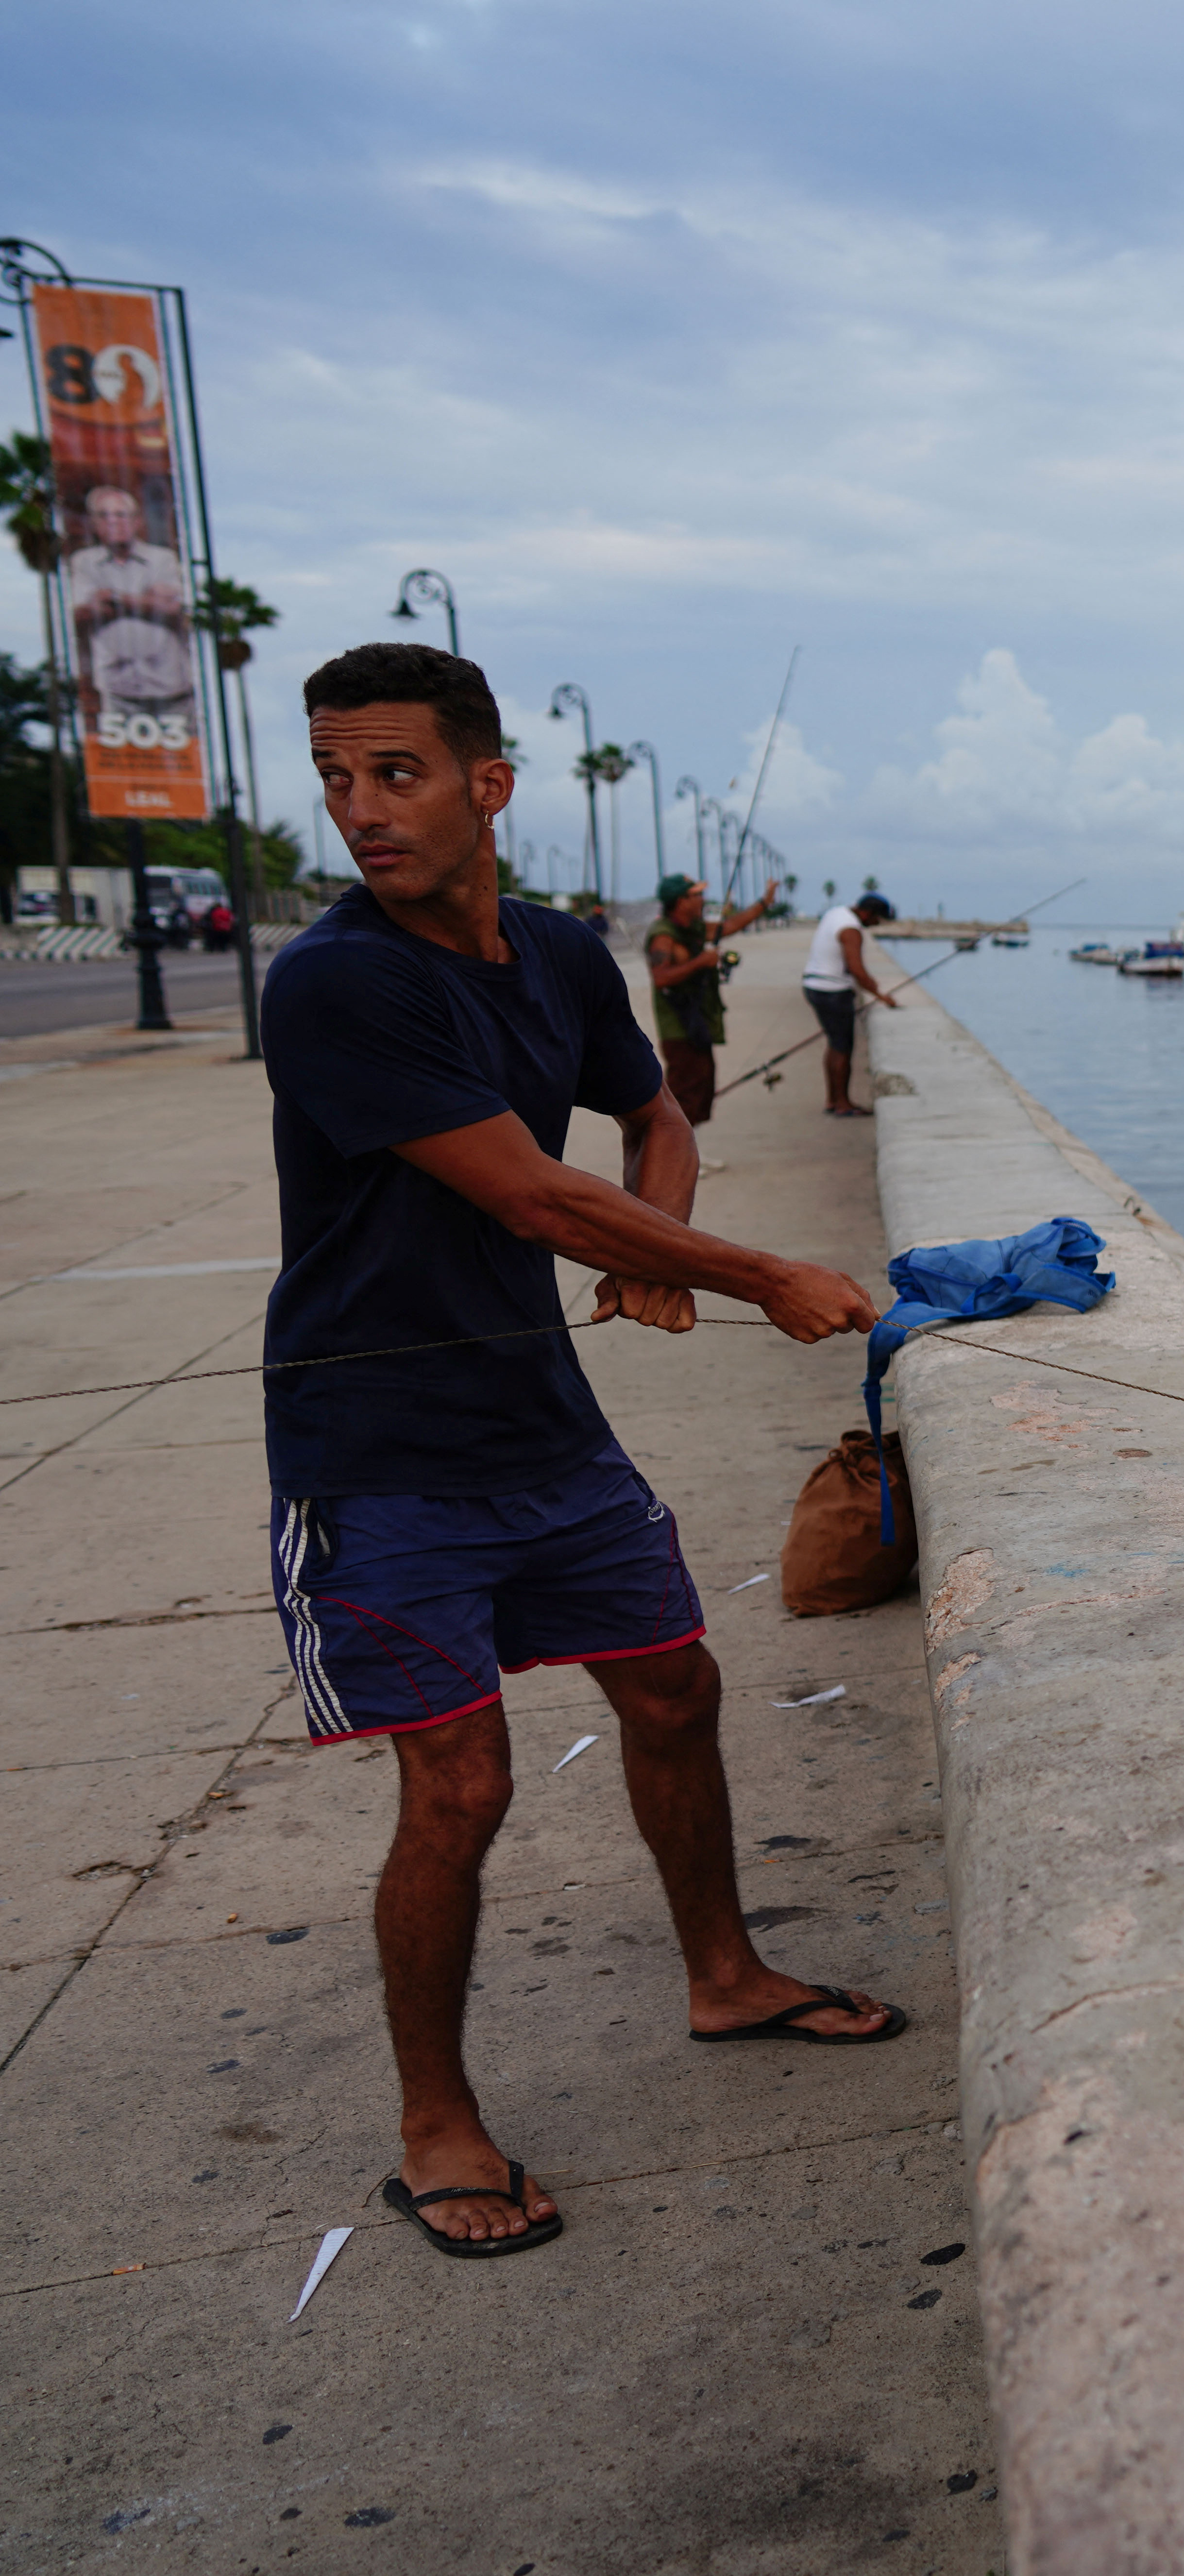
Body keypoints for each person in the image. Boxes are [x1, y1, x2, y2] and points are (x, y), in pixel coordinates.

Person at [266, 642, 896, 2258]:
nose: (359, 810)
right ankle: (435, 2122)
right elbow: (534, 1195)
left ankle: (724, 1973)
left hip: (542, 1420)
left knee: (674, 1686)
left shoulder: (556, 955)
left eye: (393, 773)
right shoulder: (337, 982)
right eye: (335, 777)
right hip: (380, 1452)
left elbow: (653, 1115)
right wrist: (757, 1275)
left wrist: (658, 1241)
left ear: (489, 785)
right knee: (458, 1785)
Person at [641, 869, 780, 1125]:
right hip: (679, 1026)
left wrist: (765, 902)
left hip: (697, 1022)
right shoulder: (663, 935)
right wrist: (701, 962)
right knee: (684, 1091)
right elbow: (661, 978)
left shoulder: (692, 928)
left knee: (702, 1088)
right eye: (697, 895)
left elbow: (730, 926)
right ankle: (676, 1161)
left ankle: (689, 1158)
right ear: (682, 901)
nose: (703, 900)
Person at [61, 481, 198, 729]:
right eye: (104, 516)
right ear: (94, 524)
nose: (113, 522)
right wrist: (147, 600)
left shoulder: (162, 559)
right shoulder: (84, 562)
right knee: (123, 765)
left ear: (137, 521)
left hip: (169, 686)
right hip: (118, 688)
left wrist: (115, 599)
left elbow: (175, 609)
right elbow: (81, 612)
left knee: (183, 759)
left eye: (121, 515)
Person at [800, 888, 902, 1116]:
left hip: (814, 985)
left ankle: (832, 1100)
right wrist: (881, 996)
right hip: (833, 991)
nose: (876, 925)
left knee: (835, 1045)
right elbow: (856, 969)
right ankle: (843, 1104)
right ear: (867, 914)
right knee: (843, 1048)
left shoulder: (836, 913)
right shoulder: (851, 930)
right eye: (877, 919)